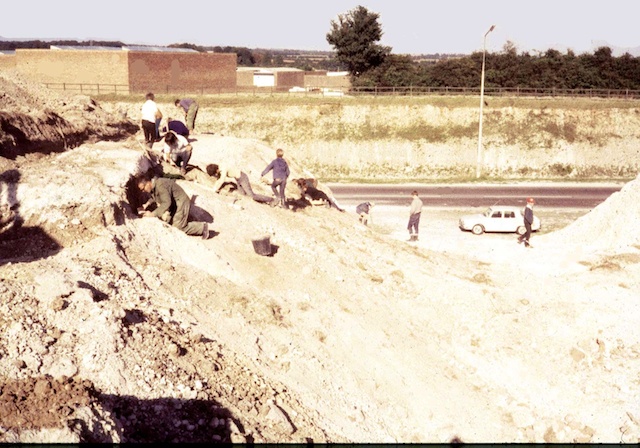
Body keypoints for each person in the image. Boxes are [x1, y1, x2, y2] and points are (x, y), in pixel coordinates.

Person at [136, 173, 209, 239]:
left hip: (181, 202)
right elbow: (155, 196)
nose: (143, 191)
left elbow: (166, 203)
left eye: (143, 189)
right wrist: (146, 205)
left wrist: (152, 214)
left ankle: (202, 227)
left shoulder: (160, 185)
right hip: (175, 204)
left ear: (148, 183)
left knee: (178, 229)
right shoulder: (155, 185)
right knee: (169, 222)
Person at [206, 163, 276, 205]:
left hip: (243, 178)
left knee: (252, 195)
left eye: (214, 173)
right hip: (238, 180)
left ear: (216, 170)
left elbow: (221, 180)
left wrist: (215, 189)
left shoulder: (223, 169)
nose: (215, 175)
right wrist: (214, 187)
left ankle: (271, 200)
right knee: (243, 195)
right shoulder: (219, 171)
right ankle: (262, 202)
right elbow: (218, 180)